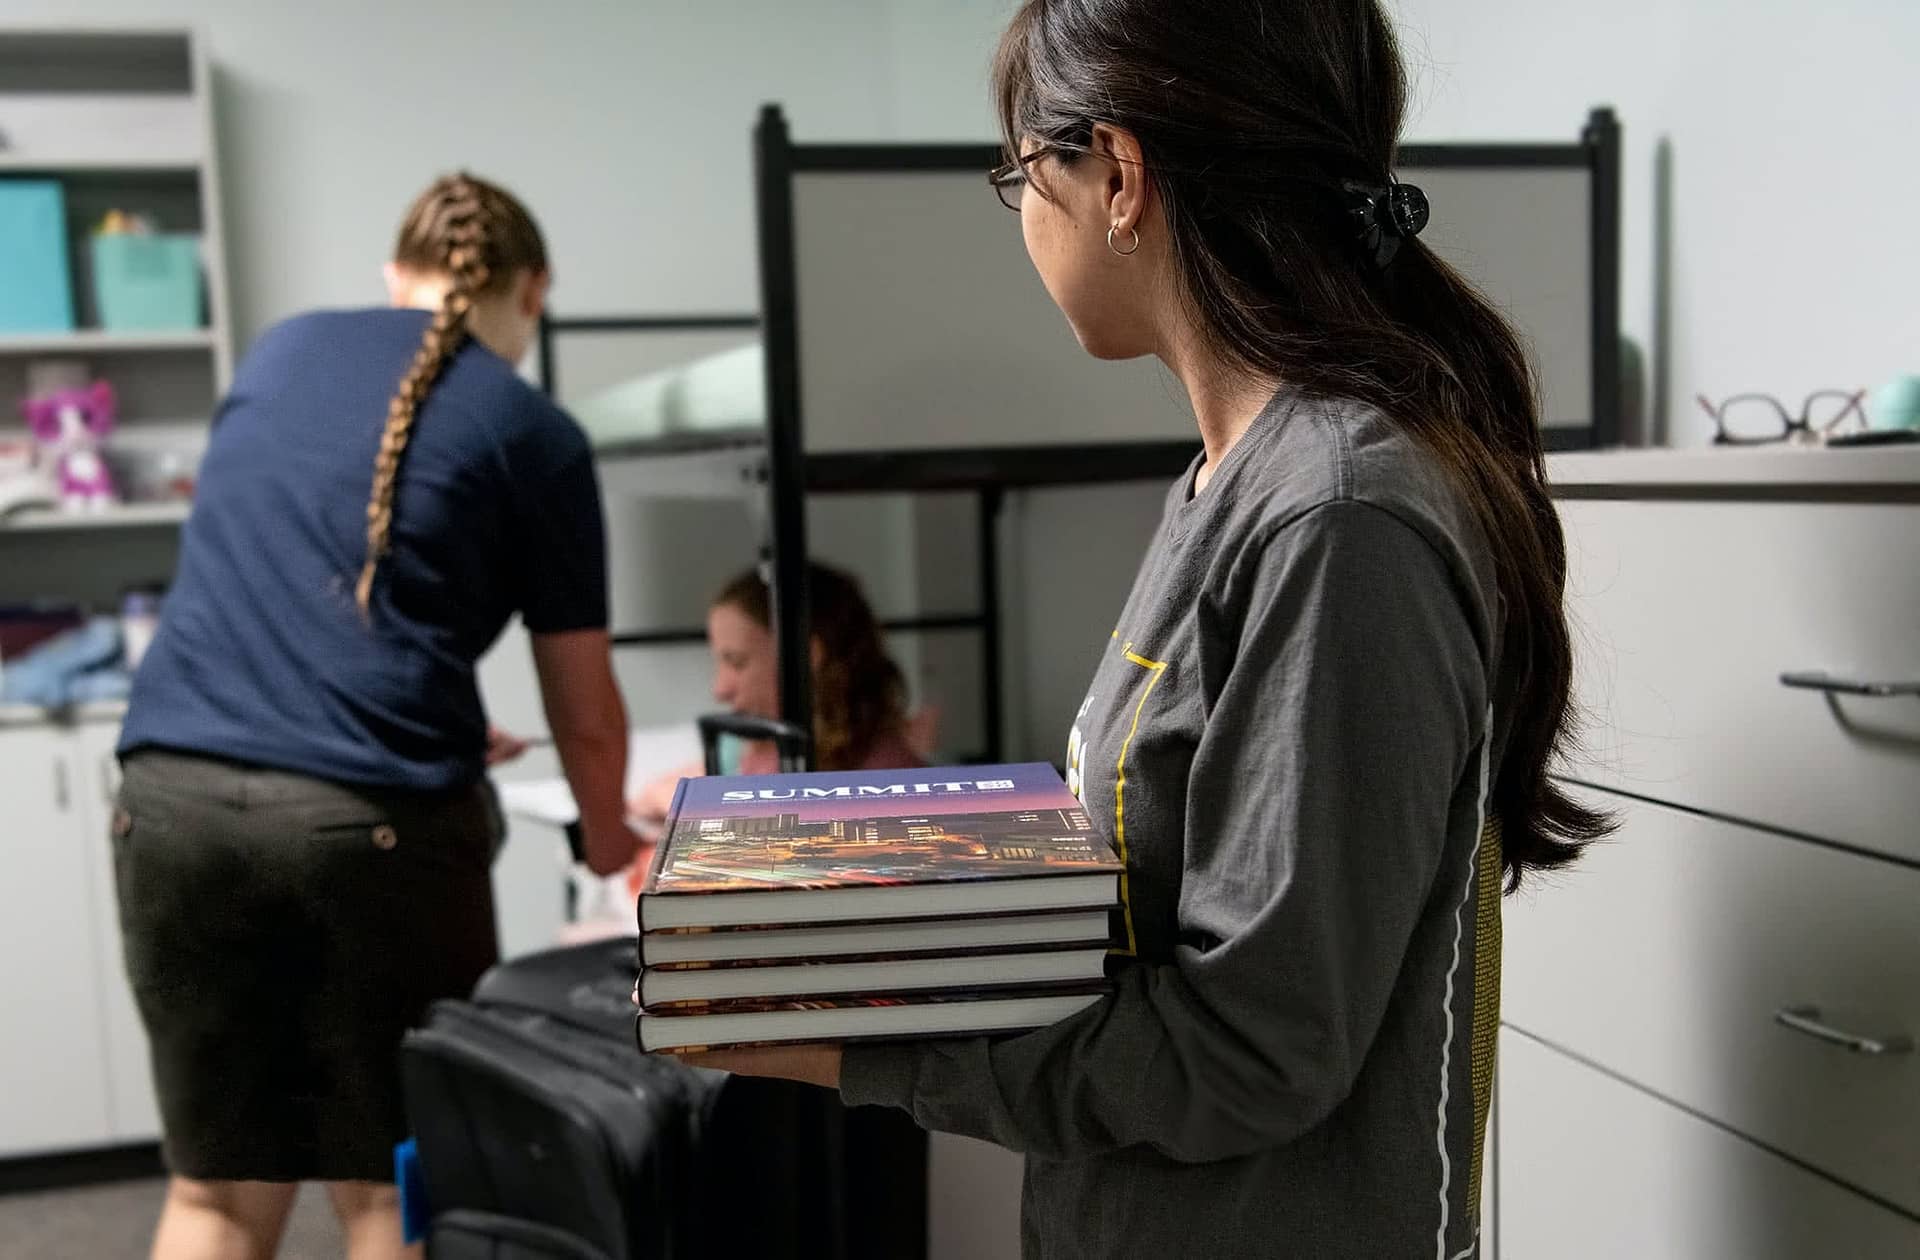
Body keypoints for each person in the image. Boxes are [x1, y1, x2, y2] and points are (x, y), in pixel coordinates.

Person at [666, 3, 1611, 1257]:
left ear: (1117, 175)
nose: (1020, 218)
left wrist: (851, 1037)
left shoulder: (1337, 518)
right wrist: (869, 892)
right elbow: (1155, 882)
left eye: (1020, 174)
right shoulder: (1227, 482)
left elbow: (1250, 1050)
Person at [112, 173, 643, 1260]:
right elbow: (584, 714)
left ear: (391, 278)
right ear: (532, 293)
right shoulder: (532, 429)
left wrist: (431, 722)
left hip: (170, 807)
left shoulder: (281, 351)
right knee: (390, 1194)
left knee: (216, 1194)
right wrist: (608, 837)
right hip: (372, 834)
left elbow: (287, 609)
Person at [629, 561, 927, 828]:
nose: (720, 689)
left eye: (737, 662)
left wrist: (697, 808)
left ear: (805, 655)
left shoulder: (882, 783)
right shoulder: (753, 747)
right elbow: (666, 790)